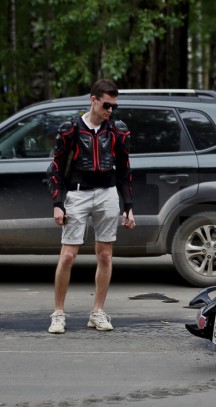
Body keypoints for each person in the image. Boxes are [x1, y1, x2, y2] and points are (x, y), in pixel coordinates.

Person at [46, 79, 135, 334]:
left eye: (114, 105)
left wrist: (129, 206)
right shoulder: (70, 129)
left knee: (105, 254)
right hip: (77, 194)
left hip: (107, 193)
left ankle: (97, 311)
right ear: (93, 100)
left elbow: (125, 169)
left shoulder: (118, 130)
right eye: (106, 104)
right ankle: (58, 313)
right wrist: (58, 203)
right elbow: (55, 168)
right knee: (67, 256)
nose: (110, 110)